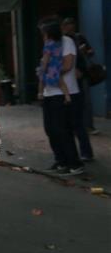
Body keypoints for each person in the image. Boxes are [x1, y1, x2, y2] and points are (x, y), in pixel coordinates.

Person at [37, 18, 84, 176]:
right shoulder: (48, 44)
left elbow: (68, 64)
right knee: (50, 129)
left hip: (65, 92)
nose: (43, 36)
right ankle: (61, 160)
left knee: (62, 129)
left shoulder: (67, 42)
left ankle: (74, 163)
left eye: (44, 33)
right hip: (49, 91)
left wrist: (50, 72)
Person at [60, 17, 95, 160]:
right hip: (62, 89)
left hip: (71, 88)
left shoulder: (68, 41)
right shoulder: (56, 44)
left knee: (73, 123)